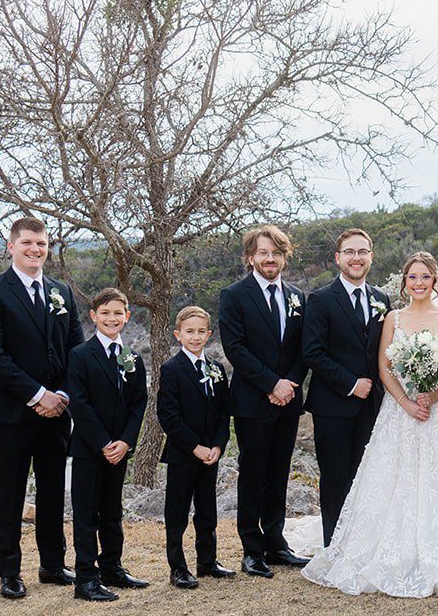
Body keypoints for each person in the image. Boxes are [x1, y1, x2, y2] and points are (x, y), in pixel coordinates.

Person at [302, 252, 438, 597]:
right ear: (404, 282)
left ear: (435, 281)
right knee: (394, 479)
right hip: (399, 411)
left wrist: (433, 396)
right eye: (412, 278)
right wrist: (405, 401)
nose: (418, 283)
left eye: (425, 277)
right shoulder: (394, 317)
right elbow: (384, 368)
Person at [0, 217, 84, 599]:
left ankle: (53, 565)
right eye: (28, 243)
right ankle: (9, 572)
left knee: (53, 490)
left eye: (41, 243)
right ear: (11, 246)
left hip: (58, 412)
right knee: (10, 494)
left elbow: (76, 350)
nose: (35, 250)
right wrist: (38, 395)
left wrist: (63, 396)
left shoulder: (61, 292)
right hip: (12, 412)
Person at [218, 224, 310, 578]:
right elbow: (235, 349)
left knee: (279, 472)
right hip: (253, 400)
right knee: (253, 473)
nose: (269, 258)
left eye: (276, 253)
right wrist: (272, 384)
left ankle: (276, 542)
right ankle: (251, 550)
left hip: (289, 399)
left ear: (284, 257)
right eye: (263, 252)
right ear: (250, 258)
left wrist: (290, 384)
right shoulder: (234, 296)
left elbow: (305, 349)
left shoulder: (298, 296)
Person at [301, 227, 390, 545]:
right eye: (350, 252)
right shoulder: (321, 300)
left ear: (371, 256)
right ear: (338, 258)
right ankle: (334, 546)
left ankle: (363, 544)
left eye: (363, 251)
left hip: (373, 407)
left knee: (366, 476)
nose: (357, 258)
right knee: (336, 479)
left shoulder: (382, 299)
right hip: (333, 405)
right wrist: (351, 384)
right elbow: (312, 352)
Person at [63, 288, 149, 601]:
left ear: (126, 317)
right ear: (94, 316)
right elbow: (80, 403)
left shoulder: (133, 358)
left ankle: (112, 566)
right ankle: (86, 578)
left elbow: (139, 401)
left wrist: (125, 441)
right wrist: (104, 443)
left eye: (118, 313)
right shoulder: (80, 355)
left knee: (112, 511)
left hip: (120, 450)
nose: (111, 318)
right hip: (89, 448)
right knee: (87, 514)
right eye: (105, 313)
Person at [157, 307, 235, 589]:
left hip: (210, 456)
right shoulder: (171, 369)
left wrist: (217, 445)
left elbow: (223, 413)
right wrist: (195, 447)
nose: (196, 337)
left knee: (207, 509)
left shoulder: (216, 368)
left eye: (201, 331)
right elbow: (168, 416)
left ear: (209, 334)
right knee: (177, 512)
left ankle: (207, 561)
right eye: (190, 331)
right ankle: (177, 567)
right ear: (178, 335)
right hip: (183, 454)